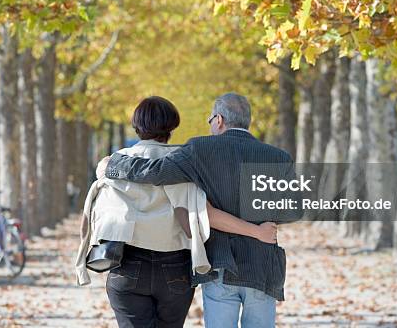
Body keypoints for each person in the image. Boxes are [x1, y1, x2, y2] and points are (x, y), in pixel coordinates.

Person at [76, 96, 277, 328]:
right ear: (172, 127)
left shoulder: (114, 163)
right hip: (175, 269)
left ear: (136, 126)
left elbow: (95, 214)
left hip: (126, 263)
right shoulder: (184, 162)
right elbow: (205, 213)